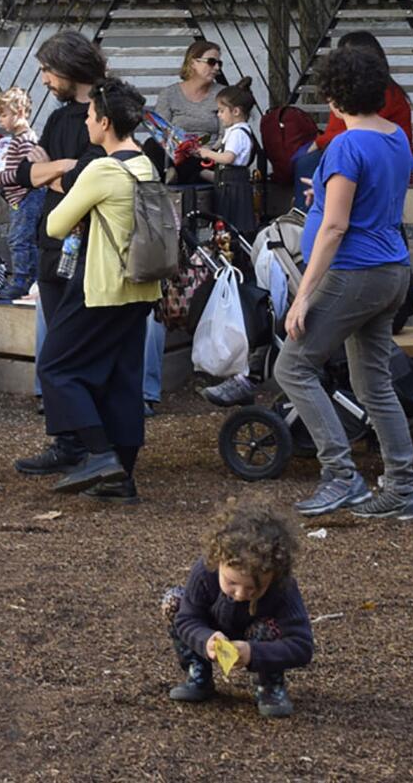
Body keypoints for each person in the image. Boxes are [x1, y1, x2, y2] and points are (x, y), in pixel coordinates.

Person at [273, 47, 413, 521]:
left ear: (333, 97)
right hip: (391, 271)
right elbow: (372, 196)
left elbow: (336, 227)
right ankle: (401, 489)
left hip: (354, 273)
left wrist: (302, 296)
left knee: (293, 367)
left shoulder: (345, 145)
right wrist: (324, 193)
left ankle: (340, 474)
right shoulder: (395, 137)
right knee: (373, 383)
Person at [34, 77, 163, 502]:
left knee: (56, 367)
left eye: (90, 115)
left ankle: (99, 454)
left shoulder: (103, 169)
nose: (86, 121)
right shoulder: (145, 163)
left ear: (105, 122)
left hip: (103, 287)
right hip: (142, 288)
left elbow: (55, 225)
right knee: (122, 381)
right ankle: (122, 480)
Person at [11, 31, 106, 444]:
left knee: (70, 352)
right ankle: (67, 441)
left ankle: (88, 443)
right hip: (51, 247)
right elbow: (28, 174)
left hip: (90, 250)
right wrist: (62, 168)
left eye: (48, 70)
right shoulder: (57, 118)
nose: (44, 79)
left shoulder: (103, 114)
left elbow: (90, 178)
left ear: (69, 66)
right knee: (55, 346)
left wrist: (55, 170)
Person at [161, 502, 314, 719]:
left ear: (275, 575)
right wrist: (205, 640)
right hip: (213, 627)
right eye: (231, 582)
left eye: (254, 588)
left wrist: (254, 653)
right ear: (218, 561)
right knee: (174, 601)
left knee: (268, 628)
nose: (241, 594)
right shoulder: (205, 572)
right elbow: (187, 618)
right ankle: (198, 672)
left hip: (258, 634)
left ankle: (269, 686)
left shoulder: (283, 588)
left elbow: (302, 646)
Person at [291, 32, 413, 189]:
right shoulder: (357, 92)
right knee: (300, 160)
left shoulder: (384, 95)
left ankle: (305, 204)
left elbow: (357, 132)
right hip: (370, 156)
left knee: (307, 163)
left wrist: (318, 143)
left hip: (377, 161)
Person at [0, 87, 44, 301]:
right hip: (20, 197)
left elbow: (26, 172)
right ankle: (31, 278)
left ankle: (22, 280)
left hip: (26, 196)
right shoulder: (21, 138)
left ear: (19, 112)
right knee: (24, 239)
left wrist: (0, 178)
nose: (0, 120)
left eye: (3, 115)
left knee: (20, 239)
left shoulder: (24, 140)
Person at [197, 81, 262, 237]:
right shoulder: (234, 131)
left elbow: (228, 157)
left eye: (221, 111)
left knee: (232, 223)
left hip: (232, 185)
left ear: (236, 111)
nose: (219, 115)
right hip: (227, 181)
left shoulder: (237, 133)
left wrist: (208, 153)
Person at [155, 39, 225, 174]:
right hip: (177, 154)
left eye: (219, 63)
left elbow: (225, 134)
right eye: (211, 62)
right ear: (193, 63)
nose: (217, 68)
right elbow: (161, 132)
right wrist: (181, 149)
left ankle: (189, 173)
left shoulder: (222, 94)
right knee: (151, 144)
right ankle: (195, 174)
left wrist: (209, 151)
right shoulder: (169, 94)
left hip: (208, 155)